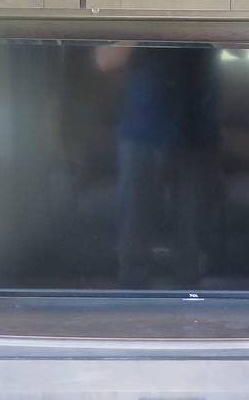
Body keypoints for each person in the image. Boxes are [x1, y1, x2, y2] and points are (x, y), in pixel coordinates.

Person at [96, 44, 223, 287]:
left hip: (197, 129)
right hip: (141, 127)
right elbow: (105, 60)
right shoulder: (130, 18)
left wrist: (205, 26)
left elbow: (242, 49)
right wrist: (143, 29)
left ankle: (191, 296)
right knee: (134, 230)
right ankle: (132, 296)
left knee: (192, 236)